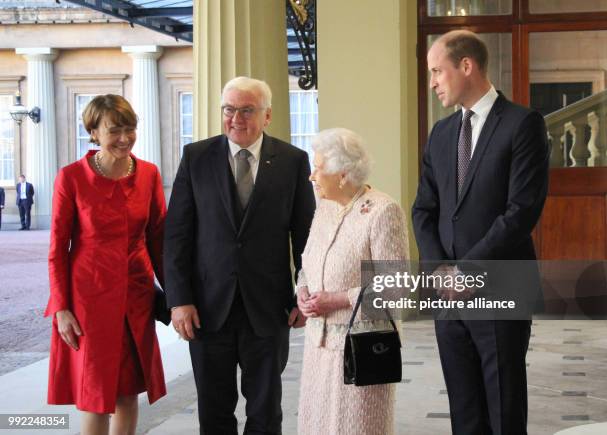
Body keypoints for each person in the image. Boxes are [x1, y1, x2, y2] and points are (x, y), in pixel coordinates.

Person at [412, 30, 549, 435]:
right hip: (447, 296)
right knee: (464, 410)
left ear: (466, 66)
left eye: (438, 71)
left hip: (500, 285)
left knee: (504, 407)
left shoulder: (523, 124)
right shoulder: (440, 134)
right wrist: (439, 269)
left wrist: (466, 271)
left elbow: (520, 212)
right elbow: (424, 209)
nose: (433, 81)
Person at [164, 76, 315, 434]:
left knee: (265, 412)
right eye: (229, 109)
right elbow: (176, 236)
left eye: (247, 110)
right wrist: (179, 300)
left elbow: (307, 236)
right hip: (206, 308)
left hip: (268, 308)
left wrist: (303, 293)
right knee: (214, 413)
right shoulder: (196, 157)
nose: (236, 118)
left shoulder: (293, 161)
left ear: (267, 116)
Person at [45, 94, 166, 435]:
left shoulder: (149, 174)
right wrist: (61, 308)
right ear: (94, 132)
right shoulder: (71, 178)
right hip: (89, 299)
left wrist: (179, 295)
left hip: (136, 296)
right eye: (115, 130)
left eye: (130, 129)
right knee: (96, 395)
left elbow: (159, 239)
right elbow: (57, 249)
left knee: (128, 391)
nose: (125, 138)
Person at [296, 128, 410, 435]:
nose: (312, 176)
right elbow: (307, 263)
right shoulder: (324, 208)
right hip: (318, 350)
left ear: (343, 174)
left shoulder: (383, 211)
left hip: (361, 351)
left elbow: (397, 287)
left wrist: (339, 298)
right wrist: (302, 290)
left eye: (318, 168)